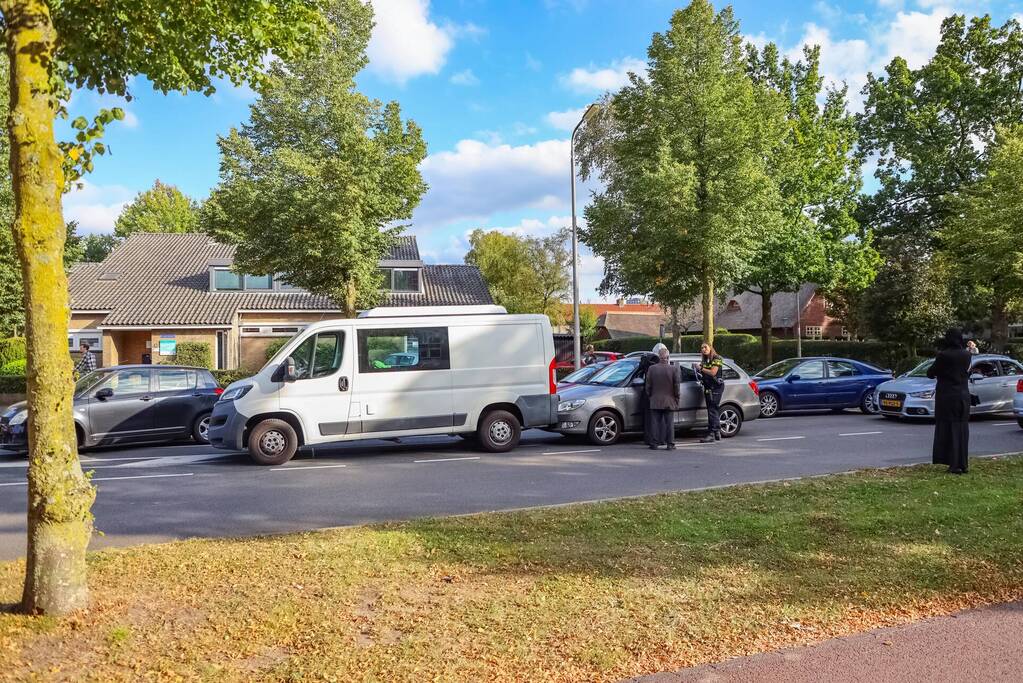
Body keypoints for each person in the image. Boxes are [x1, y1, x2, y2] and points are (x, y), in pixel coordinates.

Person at [928, 329, 972, 474]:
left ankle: (953, 464)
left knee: (950, 429)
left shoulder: (944, 355)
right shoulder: (967, 354)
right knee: (962, 429)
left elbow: (931, 372)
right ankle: (963, 463)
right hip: (963, 395)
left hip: (947, 396)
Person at [645, 345, 680, 450]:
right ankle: (670, 444)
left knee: (655, 423)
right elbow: (676, 386)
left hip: (655, 399)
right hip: (669, 400)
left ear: (659, 357)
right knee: (669, 423)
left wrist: (650, 396)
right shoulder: (674, 369)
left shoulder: (651, 369)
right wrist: (677, 398)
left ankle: (654, 443)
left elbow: (648, 386)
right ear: (668, 357)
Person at [697, 342, 725, 443]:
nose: (703, 349)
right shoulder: (705, 360)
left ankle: (711, 434)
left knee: (712, 410)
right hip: (708, 387)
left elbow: (713, 372)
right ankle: (717, 432)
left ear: (710, 347)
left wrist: (700, 368)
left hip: (716, 387)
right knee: (712, 410)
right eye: (702, 348)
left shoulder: (716, 358)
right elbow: (704, 372)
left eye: (705, 347)